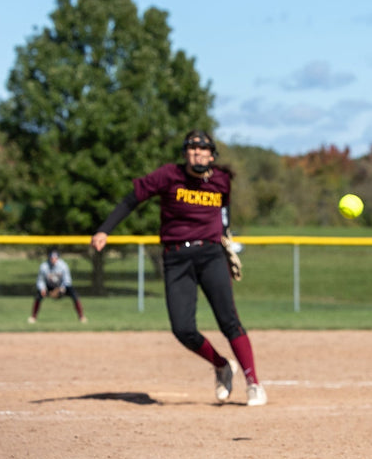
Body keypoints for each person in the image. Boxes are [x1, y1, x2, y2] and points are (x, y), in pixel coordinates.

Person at [90, 129, 267, 406]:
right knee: (182, 329)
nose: (197, 153)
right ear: (185, 153)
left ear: (212, 155)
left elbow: (224, 212)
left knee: (229, 321)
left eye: (203, 149)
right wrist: (105, 229)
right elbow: (132, 198)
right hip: (176, 257)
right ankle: (221, 365)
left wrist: (226, 239)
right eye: (192, 149)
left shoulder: (221, 180)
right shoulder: (169, 175)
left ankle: (253, 383)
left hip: (211, 255)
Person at [29, 247, 87, 323]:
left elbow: (67, 280)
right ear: (49, 258)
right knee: (38, 296)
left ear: (58, 258)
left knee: (75, 295)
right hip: (48, 287)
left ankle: (81, 317)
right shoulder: (44, 266)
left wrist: (61, 289)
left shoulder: (63, 266)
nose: (53, 260)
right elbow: (40, 280)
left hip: (61, 286)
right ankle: (33, 317)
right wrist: (42, 288)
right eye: (52, 258)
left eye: (55, 258)